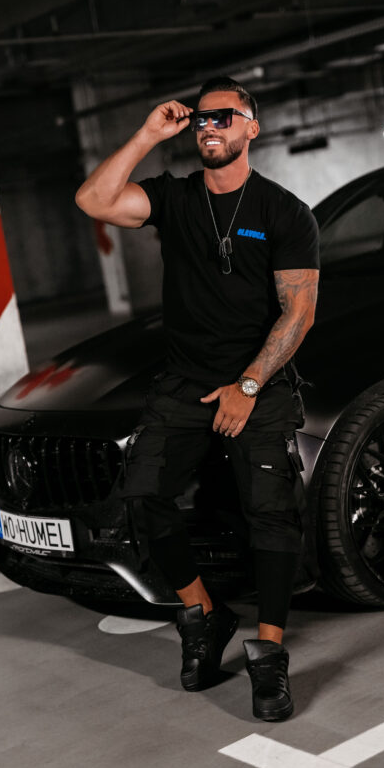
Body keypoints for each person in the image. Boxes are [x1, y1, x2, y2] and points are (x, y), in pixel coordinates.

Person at [75, 76, 319, 721]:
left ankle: (269, 653)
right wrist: (148, 134)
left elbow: (298, 312)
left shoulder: (284, 212)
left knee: (270, 513)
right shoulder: (175, 197)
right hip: (183, 384)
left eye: (224, 117)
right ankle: (203, 615)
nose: (209, 127)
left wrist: (248, 385)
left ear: (251, 127)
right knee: (142, 496)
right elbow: (94, 200)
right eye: (202, 119)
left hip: (258, 384)